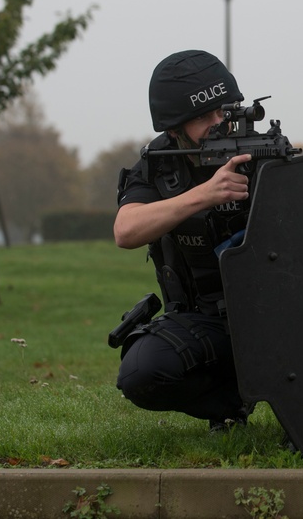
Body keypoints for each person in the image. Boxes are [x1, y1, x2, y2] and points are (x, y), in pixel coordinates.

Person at [113, 49, 254, 430]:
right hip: (205, 322)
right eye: (202, 118)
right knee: (141, 374)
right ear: (174, 130)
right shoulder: (157, 165)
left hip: (276, 318)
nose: (218, 123)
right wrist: (206, 194)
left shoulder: (262, 152)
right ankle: (230, 403)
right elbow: (126, 231)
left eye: (223, 111)